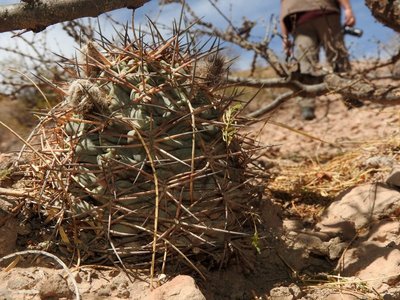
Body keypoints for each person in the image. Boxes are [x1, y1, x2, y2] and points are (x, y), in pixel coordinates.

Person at [280, 0, 356, 120]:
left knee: (337, 55)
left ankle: (351, 97)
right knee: (304, 65)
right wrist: (284, 37)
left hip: (325, 11)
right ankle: (307, 106)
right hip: (298, 21)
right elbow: (283, 9)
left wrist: (348, 8)